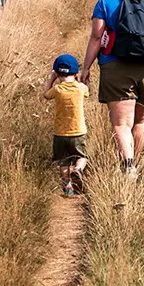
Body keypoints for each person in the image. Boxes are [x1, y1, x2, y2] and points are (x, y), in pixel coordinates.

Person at [81, 0, 144, 179]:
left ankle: (129, 167)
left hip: (116, 65)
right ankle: (135, 163)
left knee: (121, 123)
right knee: (140, 121)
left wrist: (86, 68)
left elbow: (97, 37)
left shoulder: (105, 2)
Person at [41, 54, 89, 197]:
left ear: (57, 73)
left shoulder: (57, 89)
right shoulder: (80, 88)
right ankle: (78, 169)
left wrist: (51, 79)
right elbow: (87, 91)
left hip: (60, 133)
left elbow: (45, 95)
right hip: (78, 132)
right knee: (82, 156)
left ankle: (67, 188)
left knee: (63, 162)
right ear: (75, 73)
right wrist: (81, 79)